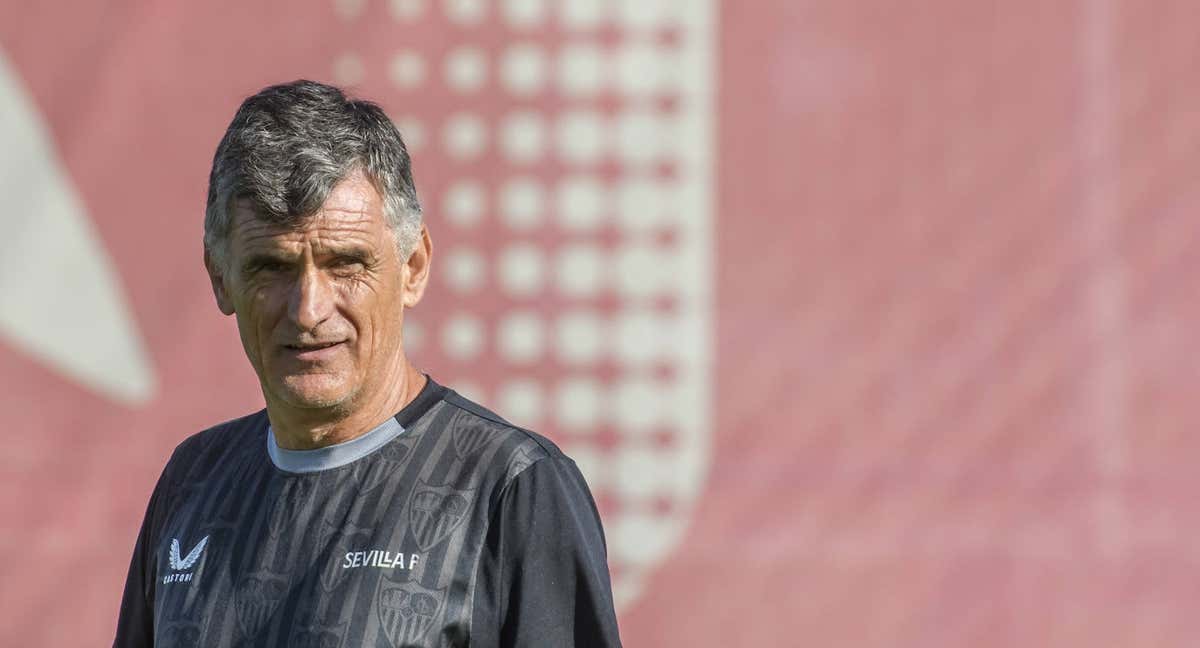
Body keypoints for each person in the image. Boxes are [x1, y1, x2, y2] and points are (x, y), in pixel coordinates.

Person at [113, 80, 622, 647]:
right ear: (219, 278)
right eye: (271, 268)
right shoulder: (194, 481)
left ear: (414, 267)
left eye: (346, 264)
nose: (308, 310)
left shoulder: (510, 489)